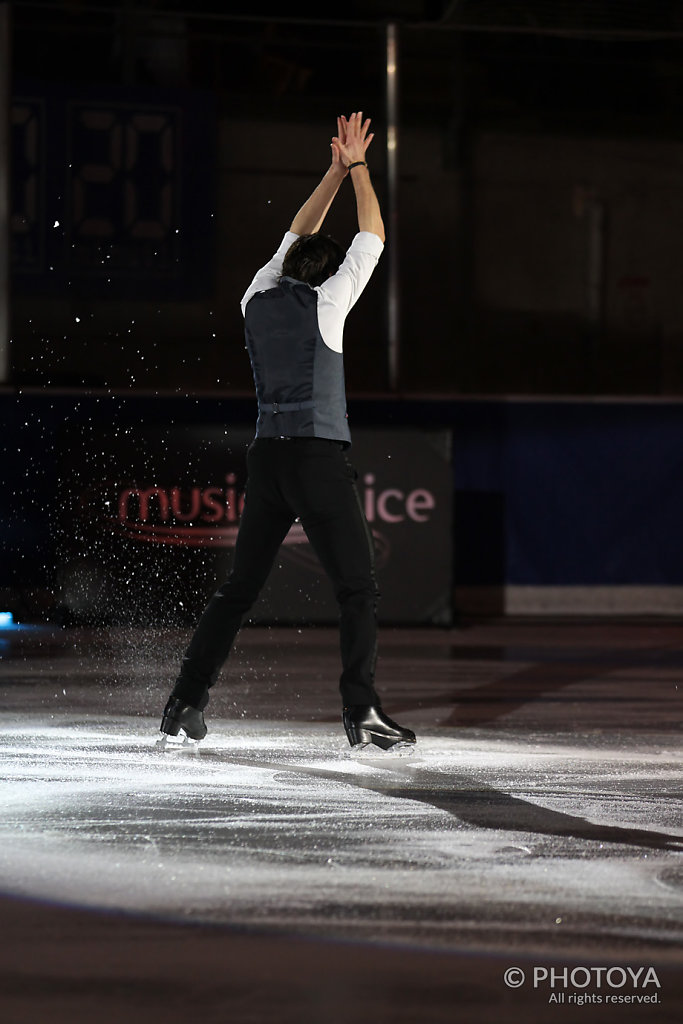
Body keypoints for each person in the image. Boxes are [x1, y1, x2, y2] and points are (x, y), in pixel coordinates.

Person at [159, 112, 416, 753]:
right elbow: (372, 235)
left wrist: (330, 172)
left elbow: (293, 238)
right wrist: (357, 168)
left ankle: (183, 701)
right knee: (357, 586)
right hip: (316, 461)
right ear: (326, 275)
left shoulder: (257, 297)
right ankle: (362, 712)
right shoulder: (329, 305)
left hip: (267, 461)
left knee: (239, 589)